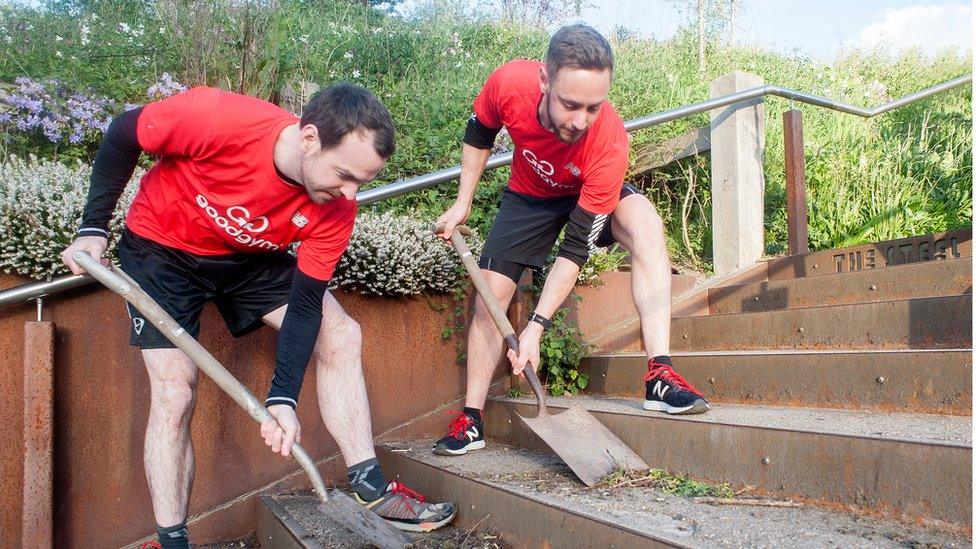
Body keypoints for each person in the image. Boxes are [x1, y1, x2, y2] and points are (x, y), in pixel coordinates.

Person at [60, 83, 455, 548]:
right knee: (175, 390)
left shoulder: (335, 206)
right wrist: (92, 229)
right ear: (309, 138)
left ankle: (369, 485)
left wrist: (282, 398)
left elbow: (306, 304)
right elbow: (124, 132)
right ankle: (172, 540)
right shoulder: (218, 119)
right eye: (344, 174)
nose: (350, 193)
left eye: (360, 184)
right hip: (163, 252)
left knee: (341, 333)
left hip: (248, 259)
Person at [432, 24, 710, 457]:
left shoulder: (608, 141)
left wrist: (536, 328)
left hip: (586, 190)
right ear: (545, 80)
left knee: (645, 223)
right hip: (531, 195)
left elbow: (575, 248)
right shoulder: (509, 83)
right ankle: (471, 418)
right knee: (492, 291)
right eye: (570, 104)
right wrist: (463, 201)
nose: (581, 121)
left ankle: (659, 373)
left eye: (594, 107)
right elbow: (479, 134)